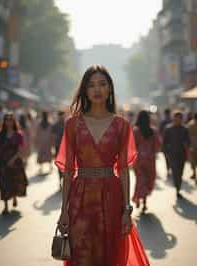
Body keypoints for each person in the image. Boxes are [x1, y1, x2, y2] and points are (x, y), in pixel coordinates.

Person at [55, 65, 150, 266]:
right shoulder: (73, 124)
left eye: (102, 84)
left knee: (110, 256)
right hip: (81, 197)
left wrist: (126, 209)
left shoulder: (121, 125)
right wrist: (64, 209)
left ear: (110, 89)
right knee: (82, 254)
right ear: (84, 91)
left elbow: (124, 170)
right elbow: (69, 171)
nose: (97, 89)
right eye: (91, 85)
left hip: (112, 197)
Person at [0, 113, 28, 215]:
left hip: (15, 162)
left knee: (14, 181)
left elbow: (20, 150)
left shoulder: (18, 134)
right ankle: (5, 207)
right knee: (3, 183)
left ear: (13, 121)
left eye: (10, 119)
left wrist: (12, 160)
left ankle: (14, 197)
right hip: (2, 162)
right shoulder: (0, 134)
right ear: (4, 121)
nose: (8, 121)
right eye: (6, 119)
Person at [133, 110, 161, 213]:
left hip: (138, 159)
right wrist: (151, 152)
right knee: (148, 179)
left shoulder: (135, 131)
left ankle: (137, 199)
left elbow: (132, 146)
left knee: (140, 180)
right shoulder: (154, 131)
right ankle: (144, 202)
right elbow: (158, 145)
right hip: (150, 159)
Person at [163, 112, 190, 199]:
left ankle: (178, 188)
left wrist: (186, 146)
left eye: (179, 119)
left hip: (182, 155)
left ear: (181, 119)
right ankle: (177, 189)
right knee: (175, 172)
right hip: (172, 155)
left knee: (180, 173)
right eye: (176, 119)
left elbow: (188, 142)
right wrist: (165, 152)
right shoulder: (168, 129)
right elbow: (164, 142)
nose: (177, 121)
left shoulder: (184, 129)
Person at [52, 110, 65, 188]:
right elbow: (53, 137)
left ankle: (65, 181)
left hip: (67, 148)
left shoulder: (67, 124)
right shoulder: (55, 126)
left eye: (62, 116)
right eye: (60, 116)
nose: (61, 117)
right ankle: (60, 181)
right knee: (59, 165)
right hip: (58, 147)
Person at [159, 108, 172, 176]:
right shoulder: (172, 121)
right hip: (171, 143)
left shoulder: (163, 122)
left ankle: (168, 169)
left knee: (167, 158)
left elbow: (160, 133)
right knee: (171, 158)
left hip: (166, 143)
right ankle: (170, 169)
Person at [187, 113, 197, 183]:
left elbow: (187, 135)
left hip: (192, 145)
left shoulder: (190, 124)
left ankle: (194, 173)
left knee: (193, 161)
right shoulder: (190, 124)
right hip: (193, 145)